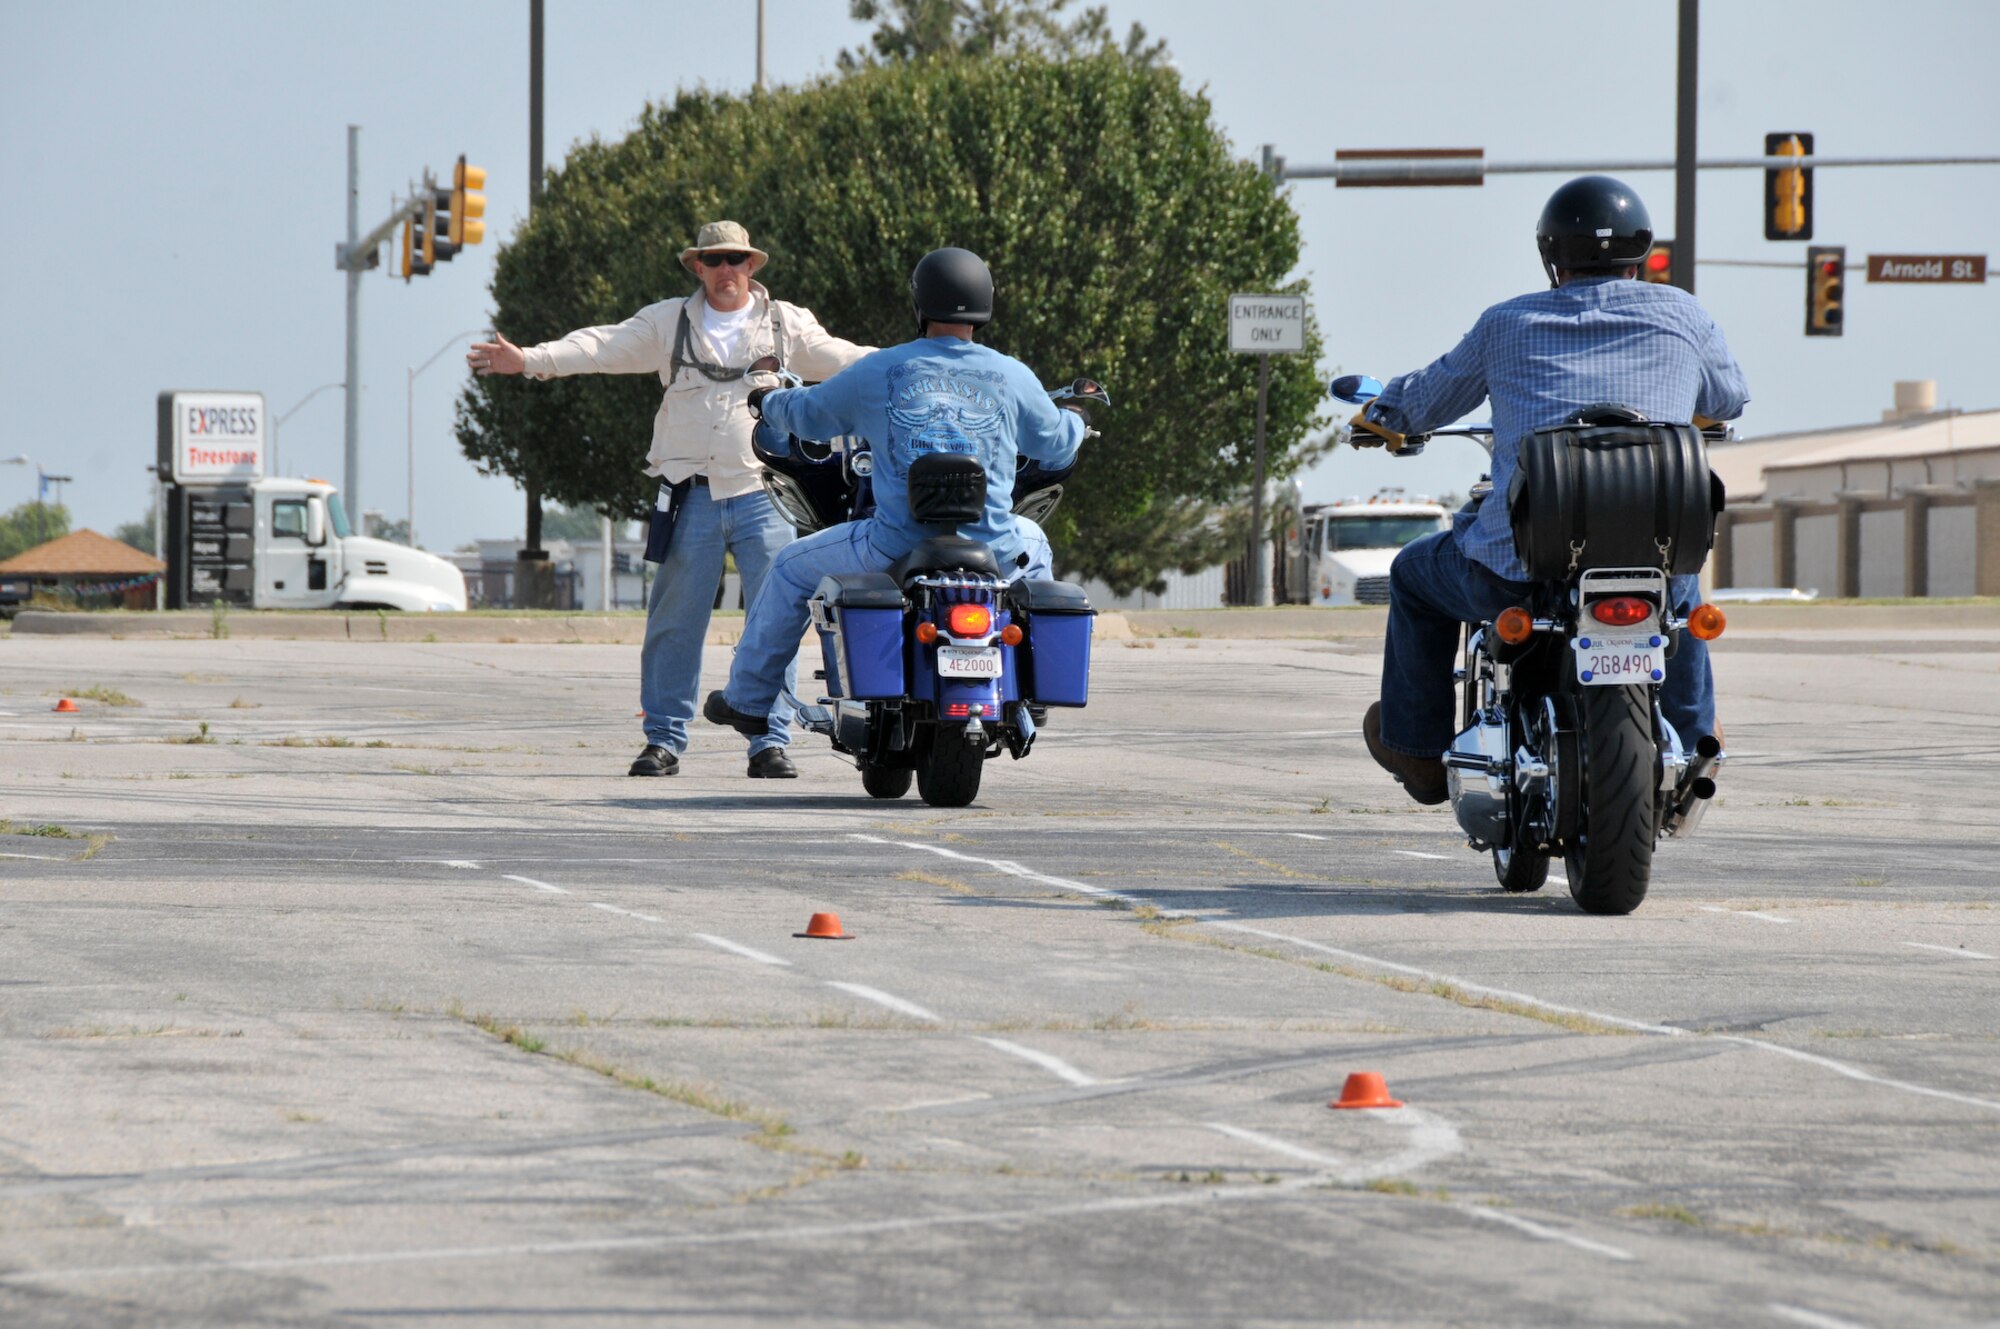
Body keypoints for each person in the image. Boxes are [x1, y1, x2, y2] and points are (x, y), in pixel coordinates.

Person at [1350, 175, 1749, 805]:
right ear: (1641, 251)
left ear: (1550, 254)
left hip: (1521, 567)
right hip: (1652, 553)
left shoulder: (1508, 323)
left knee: (1411, 575)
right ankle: (1698, 742)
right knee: (1678, 584)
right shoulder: (1684, 313)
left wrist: (1379, 413)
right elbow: (1728, 399)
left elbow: (1425, 400)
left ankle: (1420, 752)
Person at [469, 221, 872, 779]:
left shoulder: (785, 324)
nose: (725, 270)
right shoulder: (668, 321)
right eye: (714, 260)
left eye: (736, 259)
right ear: (697, 267)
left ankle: (768, 741)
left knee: (773, 620)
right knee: (674, 623)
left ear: (752, 266)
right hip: (691, 494)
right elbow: (600, 346)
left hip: (765, 493)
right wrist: (532, 359)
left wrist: (922, 361)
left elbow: (845, 359)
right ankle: (663, 739)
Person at [701, 247, 1082, 741]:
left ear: (919, 303)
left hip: (893, 545)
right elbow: (1054, 442)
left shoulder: (881, 370)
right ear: (985, 304)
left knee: (790, 566)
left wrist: (770, 401)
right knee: (1038, 542)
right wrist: (1077, 419)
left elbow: (810, 414)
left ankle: (749, 702)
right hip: (997, 546)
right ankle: (1031, 688)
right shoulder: (1012, 374)